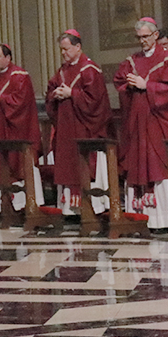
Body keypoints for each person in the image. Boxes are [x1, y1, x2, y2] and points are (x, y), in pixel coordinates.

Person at [114, 17, 168, 231]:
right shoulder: (131, 61)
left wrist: (147, 86)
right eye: (139, 37)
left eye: (145, 36)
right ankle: (143, 217)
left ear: (155, 35)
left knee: (159, 165)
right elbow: (120, 83)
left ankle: (166, 217)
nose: (142, 41)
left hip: (160, 125)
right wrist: (130, 86)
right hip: (137, 124)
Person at [45, 30, 112, 217]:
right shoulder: (61, 72)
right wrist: (55, 95)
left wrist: (71, 94)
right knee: (67, 163)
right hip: (66, 129)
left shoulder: (90, 70)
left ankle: (92, 207)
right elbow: (50, 93)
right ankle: (69, 210)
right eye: (61, 50)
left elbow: (96, 102)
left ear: (78, 47)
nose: (63, 53)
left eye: (66, 49)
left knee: (82, 164)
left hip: (85, 128)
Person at [0, 44, 41, 217]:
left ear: (8, 57)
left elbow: (22, 102)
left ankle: (20, 206)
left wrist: (1, 99)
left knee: (14, 162)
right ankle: (1, 206)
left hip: (14, 131)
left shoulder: (19, 77)